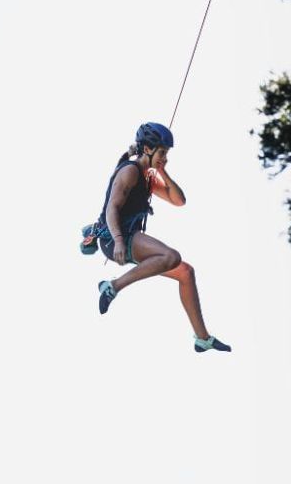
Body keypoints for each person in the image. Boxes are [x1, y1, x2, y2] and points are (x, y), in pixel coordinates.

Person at [94, 122, 231, 353]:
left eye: (167, 153)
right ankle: (112, 287)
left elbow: (179, 200)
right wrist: (117, 239)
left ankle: (202, 338)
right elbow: (112, 208)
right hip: (113, 237)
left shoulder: (148, 177)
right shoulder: (130, 171)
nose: (165, 157)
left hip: (129, 239)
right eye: (162, 152)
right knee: (171, 256)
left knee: (185, 272)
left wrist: (162, 172)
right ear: (147, 148)